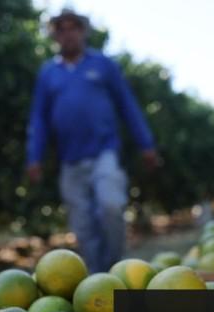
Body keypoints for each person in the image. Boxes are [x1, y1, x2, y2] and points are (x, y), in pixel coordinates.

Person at [26, 9, 159, 273]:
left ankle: (116, 266)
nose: (67, 33)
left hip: (104, 152)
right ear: (54, 35)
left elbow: (127, 105)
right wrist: (34, 157)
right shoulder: (48, 73)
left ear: (83, 31)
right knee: (83, 226)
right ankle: (98, 279)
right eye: (61, 29)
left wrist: (147, 144)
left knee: (111, 205)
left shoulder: (103, 65)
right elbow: (39, 118)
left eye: (73, 27)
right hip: (70, 160)